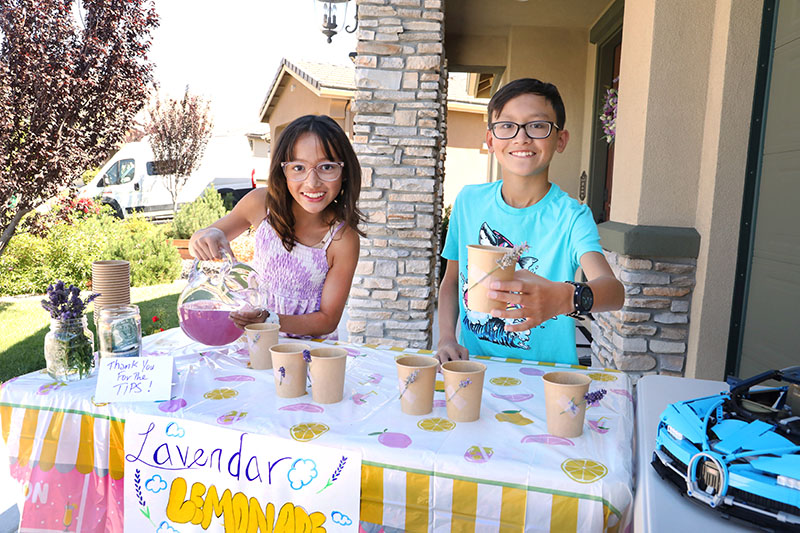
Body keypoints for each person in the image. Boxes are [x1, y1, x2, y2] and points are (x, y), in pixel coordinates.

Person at [437, 78, 624, 364]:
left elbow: (613, 291)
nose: (521, 137)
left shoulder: (572, 216)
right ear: (491, 140)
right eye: (507, 126)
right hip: (473, 367)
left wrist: (565, 297)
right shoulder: (468, 202)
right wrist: (447, 338)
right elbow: (451, 281)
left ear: (560, 140)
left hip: (546, 377)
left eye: (537, 125)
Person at [189, 114, 365, 338]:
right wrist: (206, 235)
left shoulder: (342, 240)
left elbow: (327, 320)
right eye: (298, 167)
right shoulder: (261, 205)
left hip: (309, 353)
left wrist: (268, 318)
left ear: (345, 172)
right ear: (283, 171)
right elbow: (200, 240)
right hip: (255, 341)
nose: (312, 182)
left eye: (327, 167)